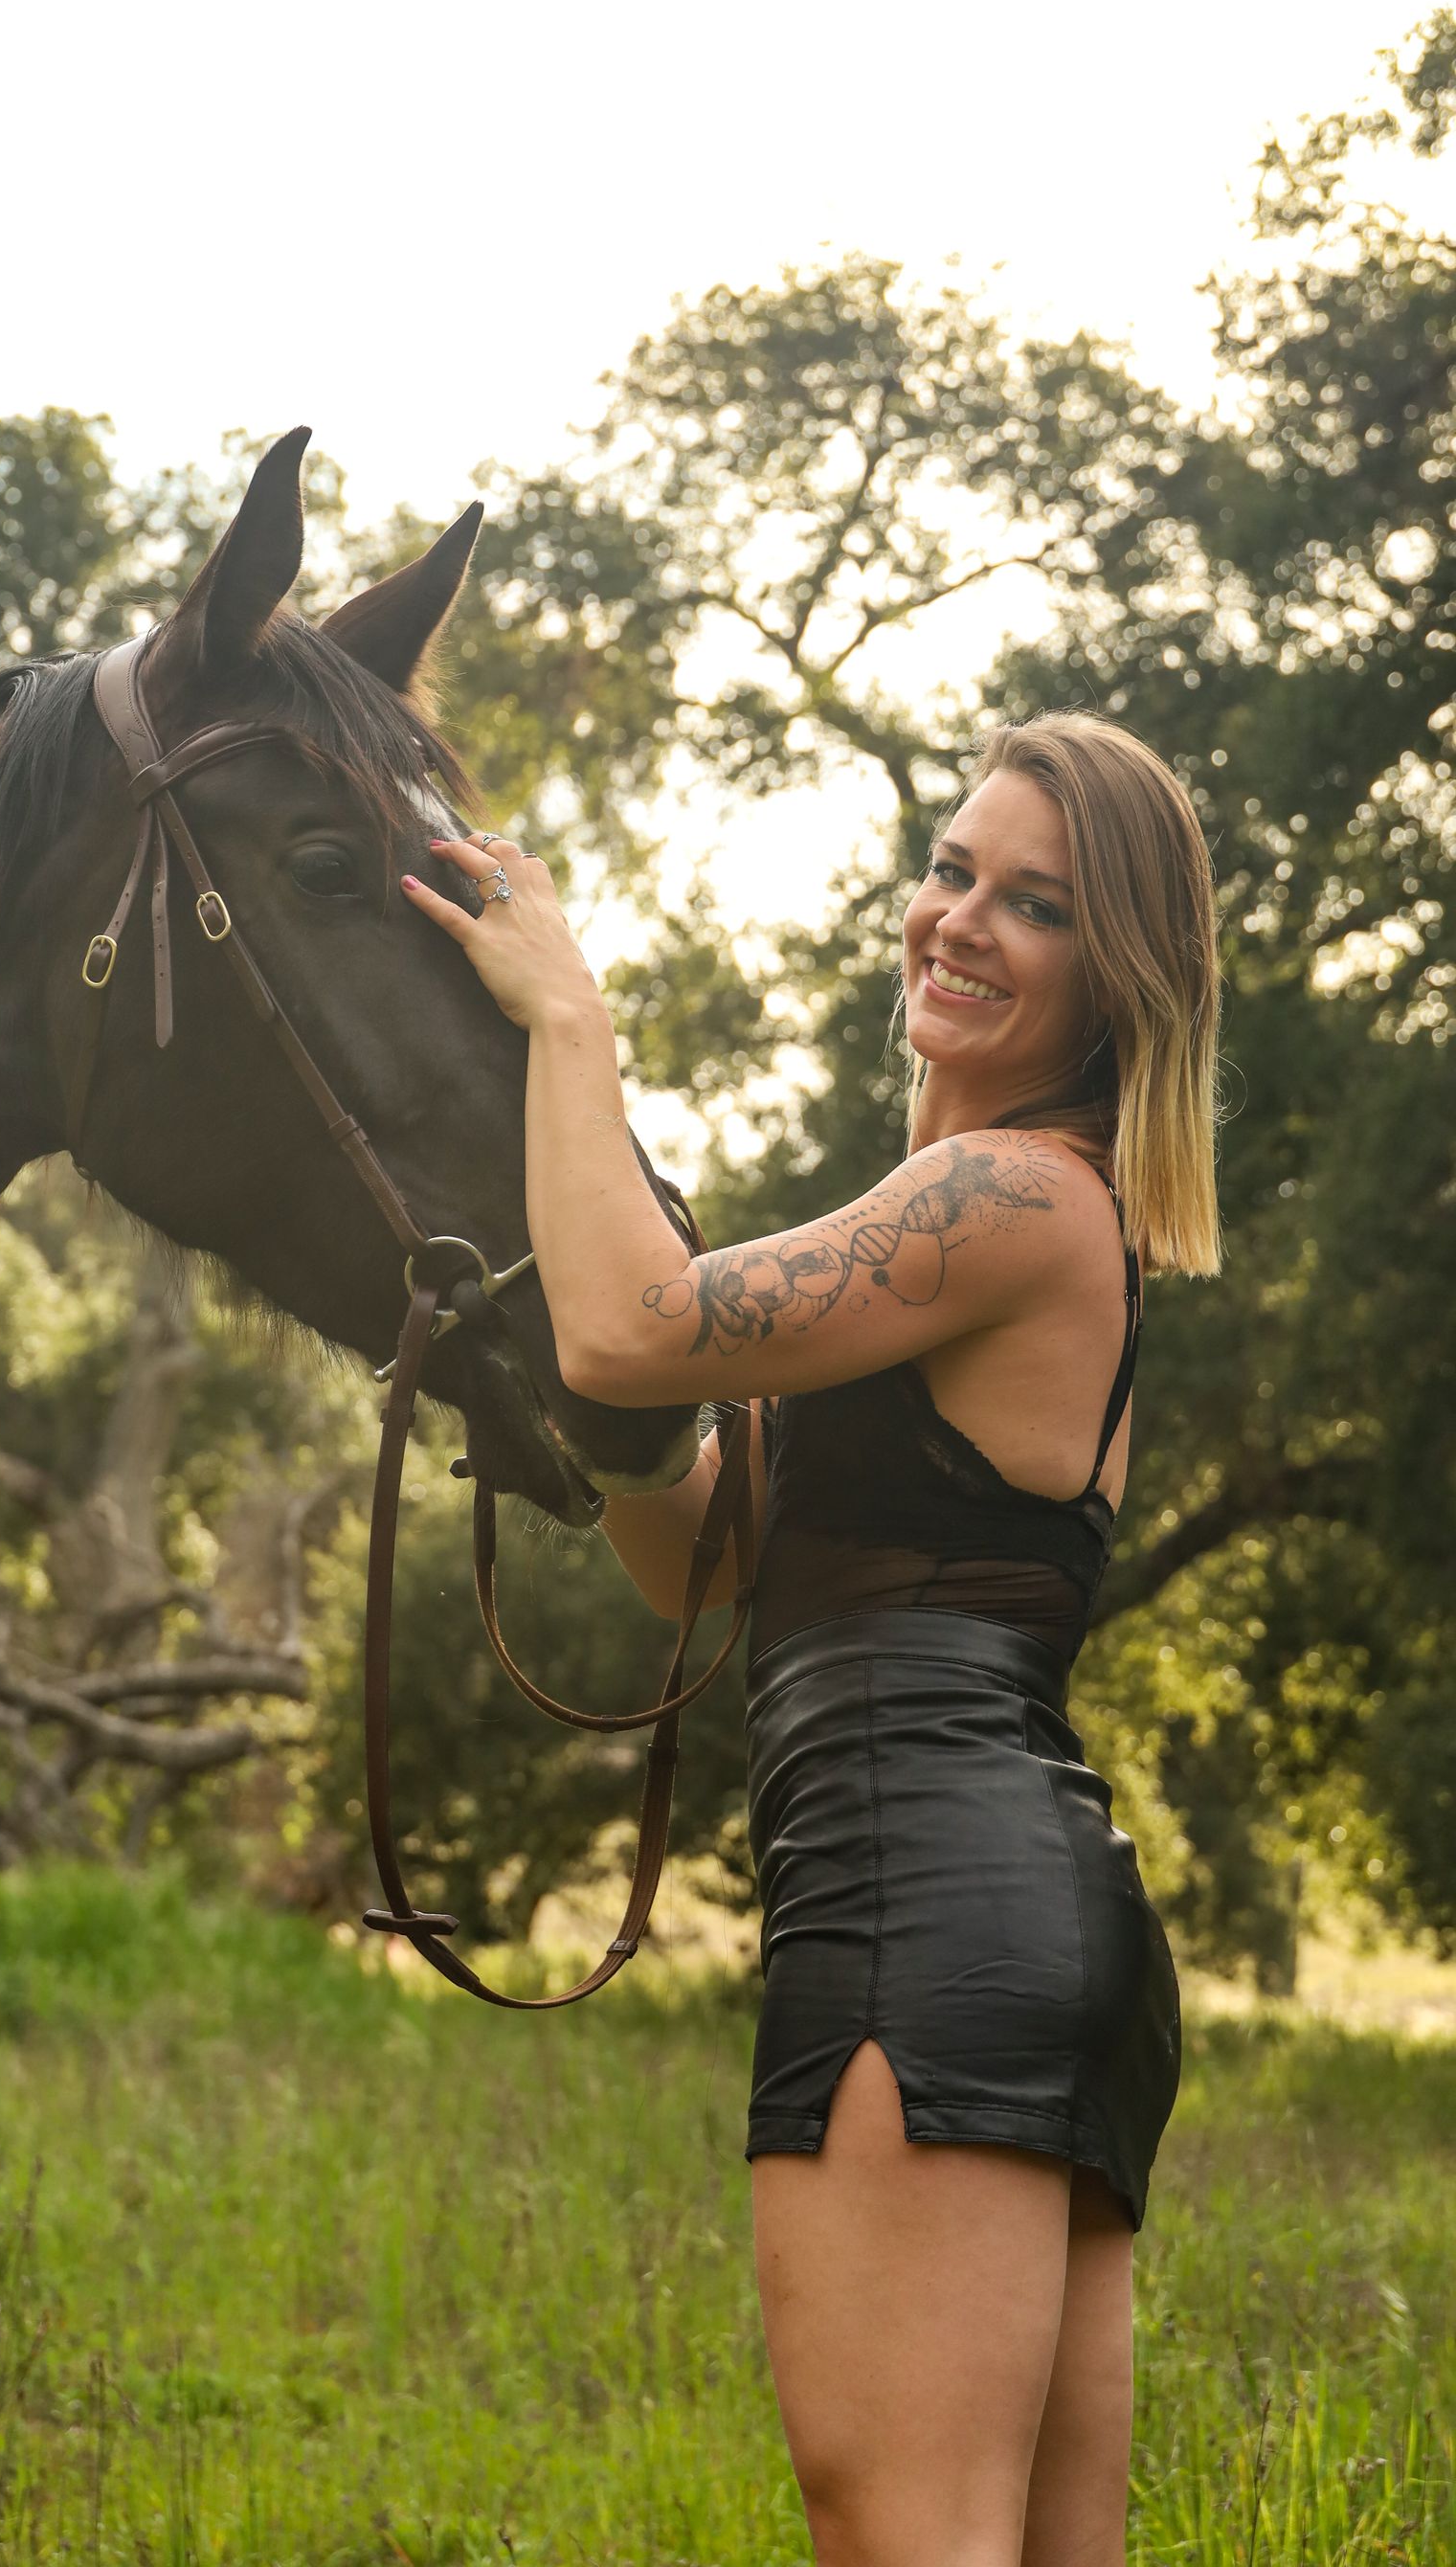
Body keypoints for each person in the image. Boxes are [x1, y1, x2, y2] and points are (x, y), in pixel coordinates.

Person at [402, 710, 1221, 2567]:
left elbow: (630, 1326)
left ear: (1118, 985)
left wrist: (571, 1026)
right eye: (952, 872)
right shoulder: (970, 1215)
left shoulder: (1011, 1195)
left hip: (920, 1908)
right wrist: (577, 1426)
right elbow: (704, 1556)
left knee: (903, 2534)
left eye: (1038, 905)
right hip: (1021, 1908)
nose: (961, 921)